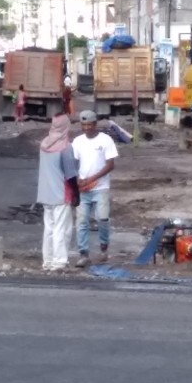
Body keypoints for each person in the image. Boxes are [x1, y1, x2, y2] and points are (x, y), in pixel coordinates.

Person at [73, 110, 118, 268]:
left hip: (101, 187)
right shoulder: (78, 142)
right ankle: (83, 253)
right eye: (83, 125)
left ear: (95, 124)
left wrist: (92, 179)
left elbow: (110, 165)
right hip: (83, 189)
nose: (86, 128)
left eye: (89, 125)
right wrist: (78, 178)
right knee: (81, 221)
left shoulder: (106, 141)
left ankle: (104, 247)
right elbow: (74, 163)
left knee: (102, 219)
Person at [37, 114, 80, 271]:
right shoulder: (65, 147)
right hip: (61, 193)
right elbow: (70, 175)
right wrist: (76, 193)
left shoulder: (44, 144)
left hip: (45, 193)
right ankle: (59, 261)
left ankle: (47, 261)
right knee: (61, 228)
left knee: (49, 228)